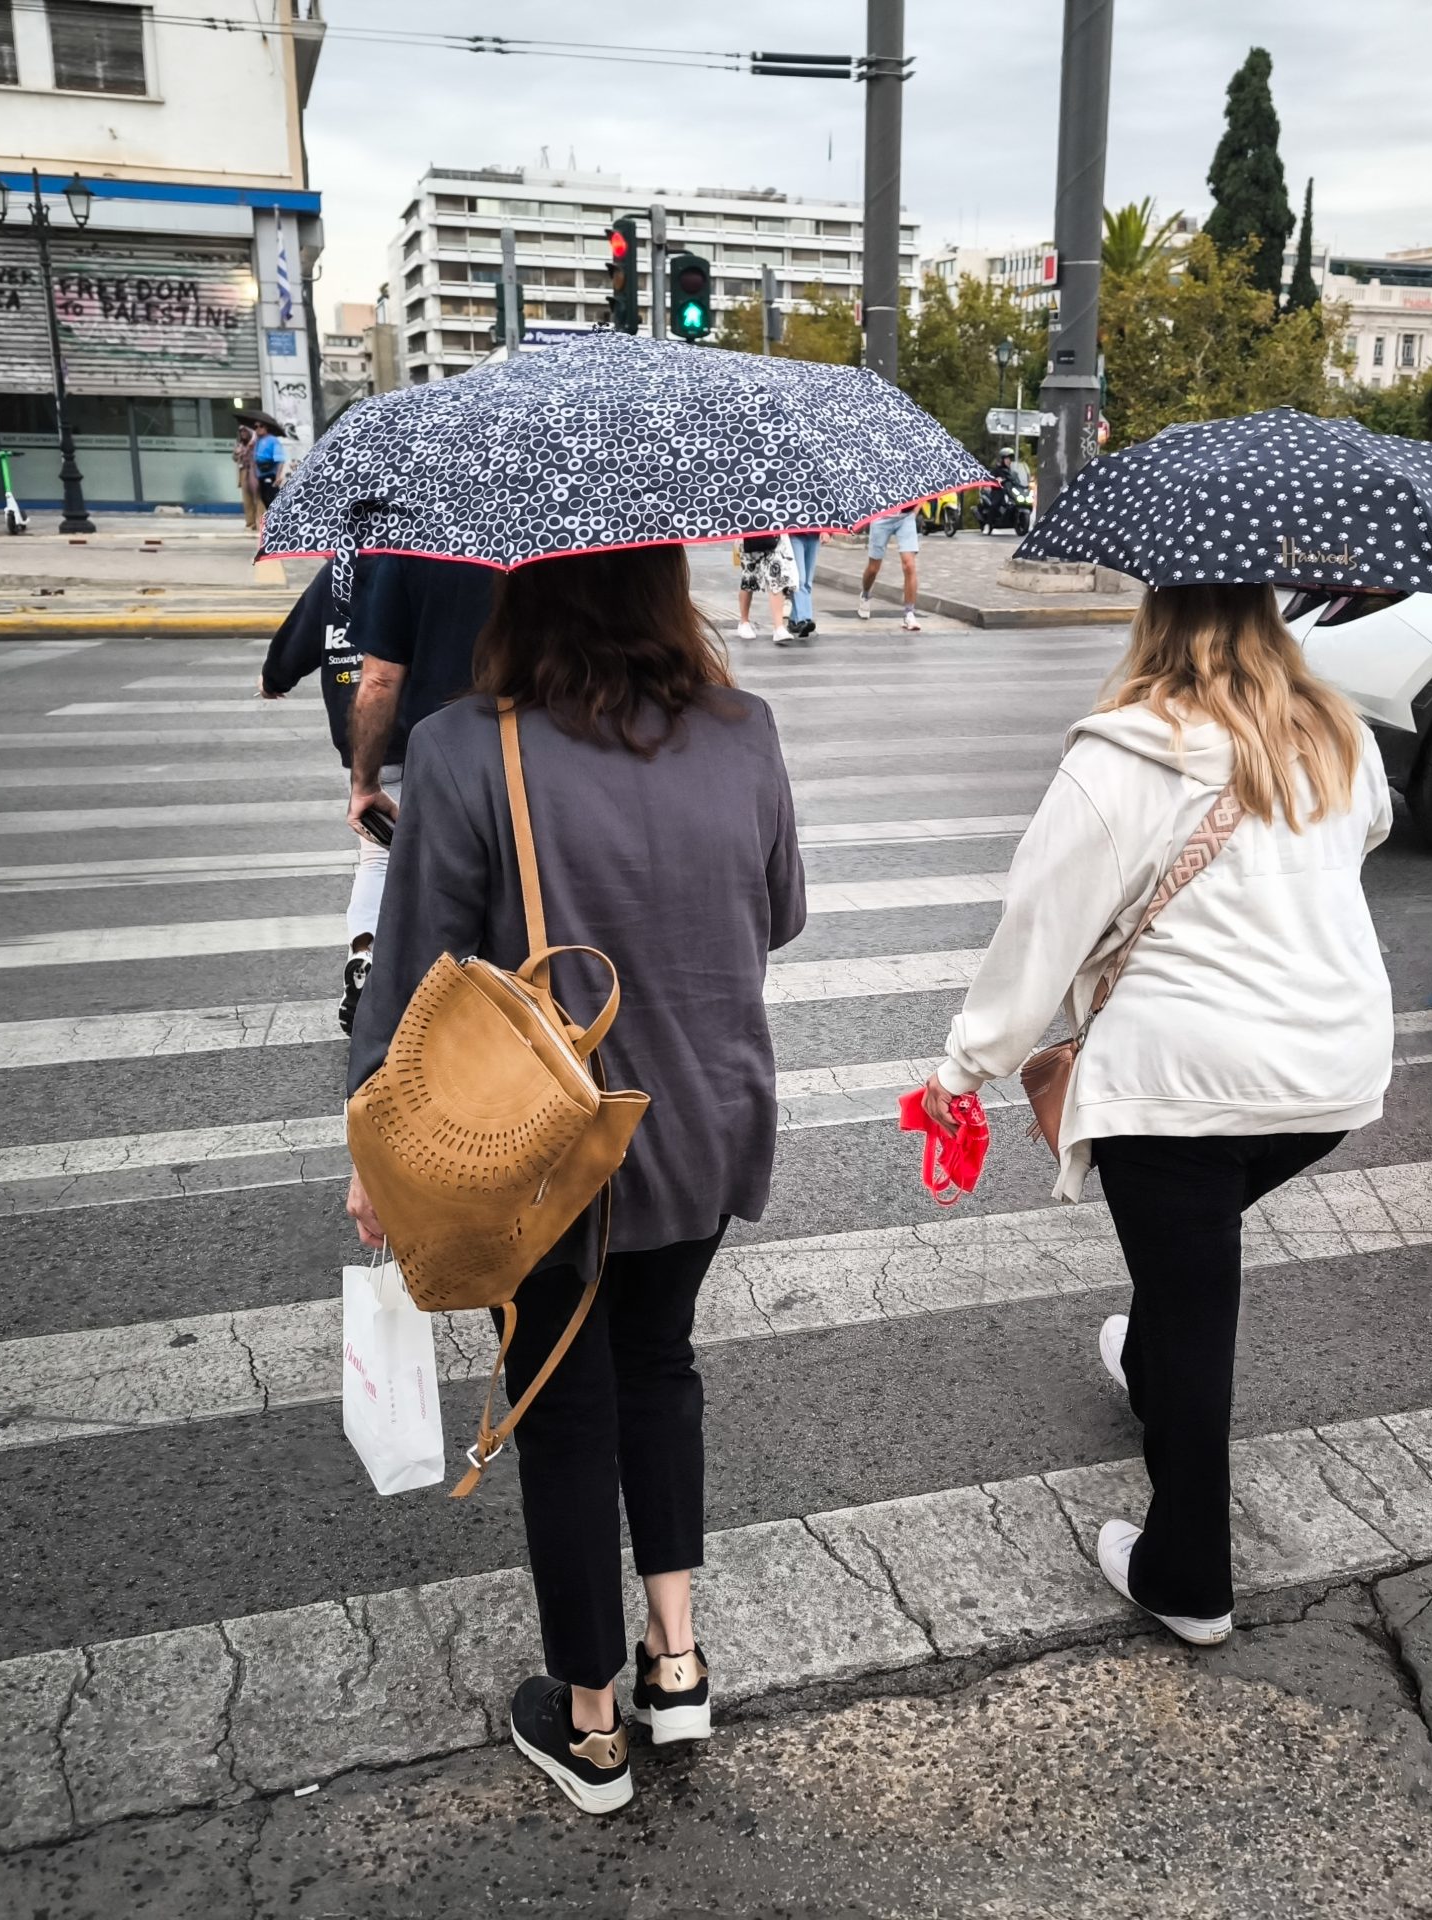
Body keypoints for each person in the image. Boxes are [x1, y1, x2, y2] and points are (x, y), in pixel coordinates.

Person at [346, 541, 806, 1816]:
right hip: (705, 1124)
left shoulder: (459, 748)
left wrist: (371, 1141)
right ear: (665, 585)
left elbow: (414, 978)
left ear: (518, 589)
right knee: (662, 1370)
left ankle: (590, 1722)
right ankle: (678, 1662)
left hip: (558, 1154)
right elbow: (777, 912)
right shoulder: (745, 728)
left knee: (562, 1405)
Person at [914, 582, 1393, 1648]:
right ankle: (1145, 1356)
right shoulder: (1335, 733)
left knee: (1192, 1308)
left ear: (1155, 621)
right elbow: (1353, 852)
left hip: (1182, 1079)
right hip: (1332, 1072)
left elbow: (1038, 927)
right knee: (1186, 1266)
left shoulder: (1125, 756)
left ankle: (1186, 1573)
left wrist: (964, 1069)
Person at [338, 555, 500, 1031]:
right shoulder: (550, 535)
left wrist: (364, 782)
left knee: (442, 897)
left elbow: (379, 679)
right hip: (534, 747)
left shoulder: (411, 547)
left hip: (440, 757)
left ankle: (421, 1019)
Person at [259, 558, 400, 1030]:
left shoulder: (341, 566)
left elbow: (299, 635)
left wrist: (274, 678)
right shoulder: (428, 559)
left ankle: (366, 956)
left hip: (366, 743)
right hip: (429, 730)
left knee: (377, 862)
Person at [858, 506, 924, 631]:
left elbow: (921, 489)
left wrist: (915, 511)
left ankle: (909, 613)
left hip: (905, 516)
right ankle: (865, 594)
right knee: (873, 568)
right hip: (880, 517)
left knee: (909, 564)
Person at [732, 533, 792, 642]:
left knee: (776, 577)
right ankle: (744, 622)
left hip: (773, 534)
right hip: (748, 535)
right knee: (749, 578)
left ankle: (778, 627)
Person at [783, 527, 822, 642]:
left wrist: (827, 531)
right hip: (795, 534)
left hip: (814, 535)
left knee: (808, 581)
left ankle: (794, 620)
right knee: (800, 579)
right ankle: (804, 619)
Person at [251, 422, 290, 514]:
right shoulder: (257, 441)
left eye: (261, 426)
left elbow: (280, 459)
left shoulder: (273, 440)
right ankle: (272, 520)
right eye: (255, 426)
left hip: (270, 473)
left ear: (266, 427)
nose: (258, 428)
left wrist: (278, 476)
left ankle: (279, 519)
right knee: (264, 498)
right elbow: (255, 459)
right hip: (260, 474)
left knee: (272, 499)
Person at [233, 420, 264, 531]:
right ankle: (250, 523)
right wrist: (237, 453)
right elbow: (235, 458)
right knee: (247, 499)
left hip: (255, 471)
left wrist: (251, 450)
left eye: (245, 431)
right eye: (241, 432)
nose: (243, 434)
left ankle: (261, 522)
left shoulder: (256, 442)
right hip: (244, 471)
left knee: (259, 498)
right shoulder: (239, 444)